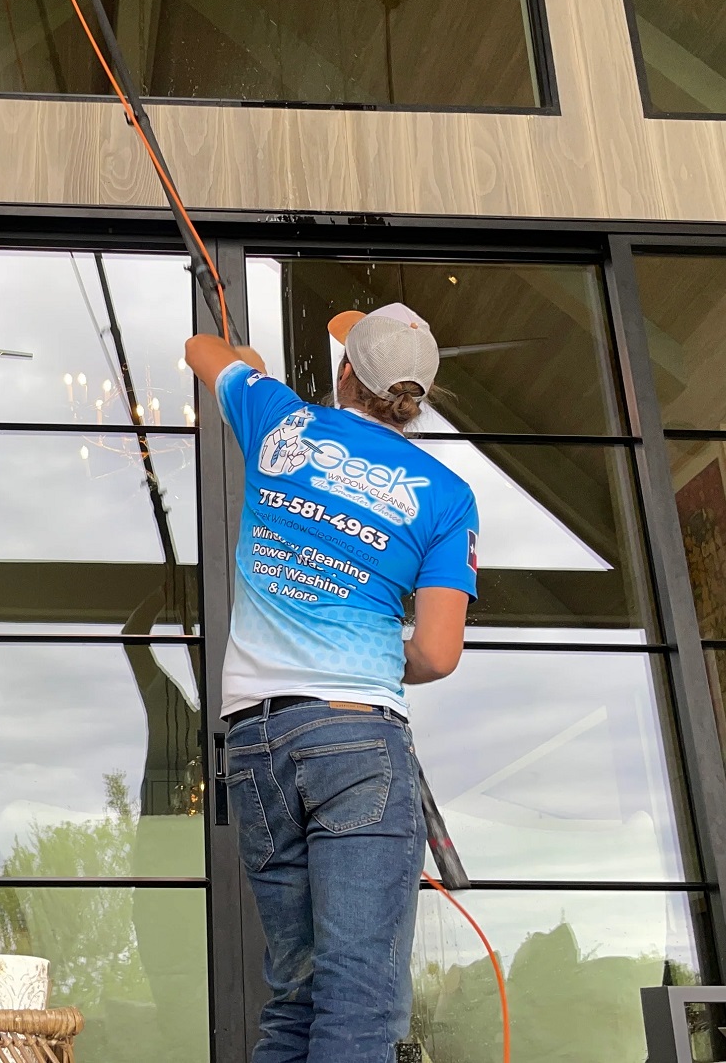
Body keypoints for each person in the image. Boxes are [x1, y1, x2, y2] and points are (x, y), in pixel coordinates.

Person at [185, 303, 478, 1063]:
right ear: (420, 396)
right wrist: (380, 651)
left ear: (346, 371)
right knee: (361, 1000)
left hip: (255, 745)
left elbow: (198, 347)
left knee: (298, 998)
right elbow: (439, 655)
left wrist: (247, 364)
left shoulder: (279, 421)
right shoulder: (447, 497)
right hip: (358, 741)